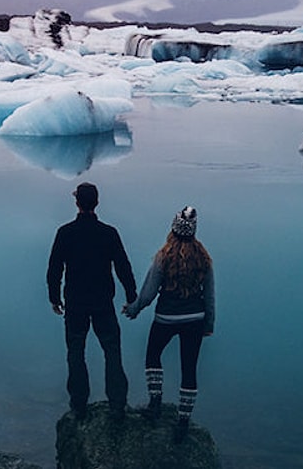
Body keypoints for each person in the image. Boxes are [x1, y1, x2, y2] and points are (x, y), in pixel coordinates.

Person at [123, 206, 215, 443]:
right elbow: (210, 296)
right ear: (193, 230)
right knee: (189, 369)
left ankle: (155, 404)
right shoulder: (204, 258)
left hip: (166, 318)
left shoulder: (164, 256)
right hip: (194, 319)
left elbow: (149, 292)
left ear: (173, 228)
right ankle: (183, 422)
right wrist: (208, 324)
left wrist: (134, 309)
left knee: (153, 355)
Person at [48, 182, 137, 420]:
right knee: (112, 350)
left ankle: (79, 405)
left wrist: (54, 297)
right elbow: (122, 266)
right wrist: (131, 295)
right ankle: (117, 404)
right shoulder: (109, 233)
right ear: (96, 202)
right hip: (102, 302)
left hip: (75, 302)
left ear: (76, 202)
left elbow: (54, 268)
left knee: (76, 351)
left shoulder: (65, 233)